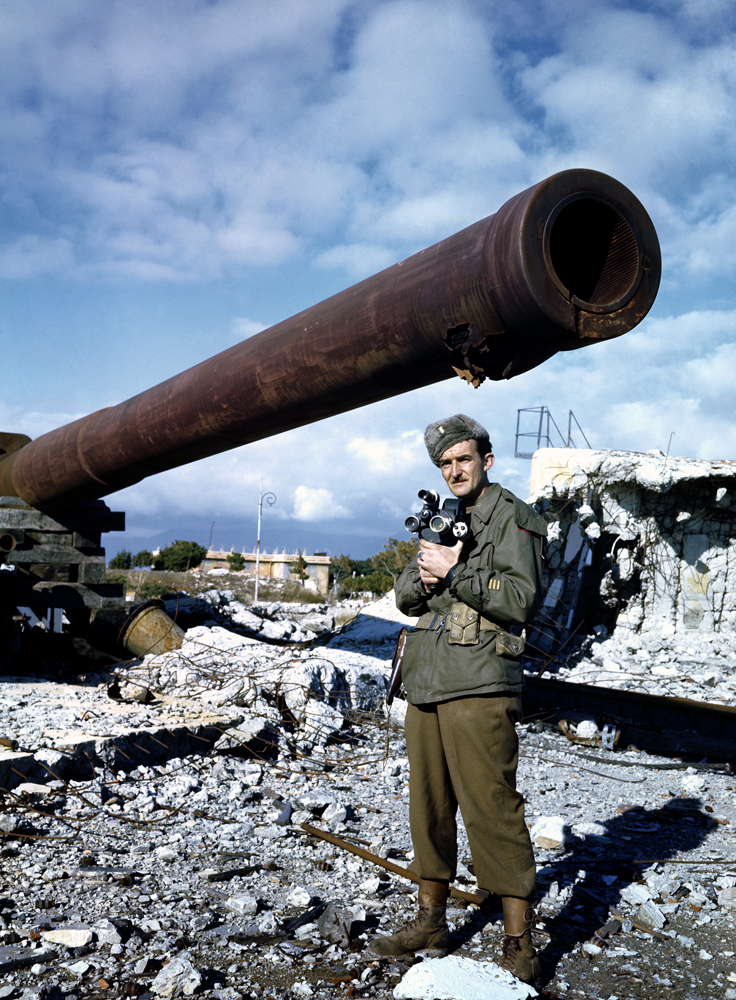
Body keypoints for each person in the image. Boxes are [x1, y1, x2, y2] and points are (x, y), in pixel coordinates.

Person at [366, 414, 547, 986]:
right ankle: (431, 924)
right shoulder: (446, 516)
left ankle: (519, 942)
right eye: (445, 463)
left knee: (491, 806)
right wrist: (427, 572)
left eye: (463, 459)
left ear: (485, 461)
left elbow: (520, 599)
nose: (454, 470)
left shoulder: (513, 517)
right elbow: (405, 596)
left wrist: (454, 570)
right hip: (426, 678)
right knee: (429, 805)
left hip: (480, 680)